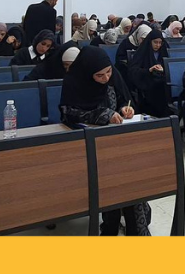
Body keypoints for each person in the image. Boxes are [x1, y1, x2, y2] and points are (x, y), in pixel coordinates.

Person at [57, 46, 148, 236]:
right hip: (86, 145)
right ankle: (117, 226)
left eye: (108, 72)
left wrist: (125, 109)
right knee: (119, 175)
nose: (106, 78)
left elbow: (123, 99)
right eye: (99, 75)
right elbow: (69, 113)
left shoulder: (113, 76)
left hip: (115, 142)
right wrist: (104, 114)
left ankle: (123, 227)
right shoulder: (74, 81)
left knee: (128, 174)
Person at [127, 29, 170, 117]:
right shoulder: (142, 52)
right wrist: (149, 70)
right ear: (150, 41)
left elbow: (169, 68)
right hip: (147, 83)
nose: (158, 45)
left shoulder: (163, 52)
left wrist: (164, 69)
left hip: (161, 83)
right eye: (155, 42)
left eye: (160, 43)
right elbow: (133, 71)